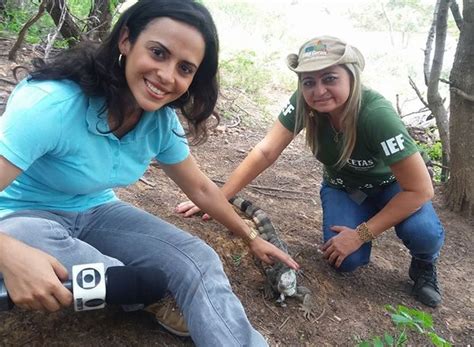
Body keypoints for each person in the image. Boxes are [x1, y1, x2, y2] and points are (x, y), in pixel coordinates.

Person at [0, 0, 300, 345]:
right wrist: (7, 252)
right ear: (126, 40)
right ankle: (144, 295)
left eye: (185, 69)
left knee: (197, 259)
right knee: (98, 269)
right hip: (20, 214)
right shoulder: (52, 105)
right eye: (158, 53)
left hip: (96, 210)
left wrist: (251, 237)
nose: (167, 76)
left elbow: (201, 189)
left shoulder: (158, 122)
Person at [177, 36, 445, 308]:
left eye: (329, 78)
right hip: (345, 188)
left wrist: (360, 234)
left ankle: (424, 265)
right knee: (345, 262)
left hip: (393, 187)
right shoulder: (304, 104)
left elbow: (420, 189)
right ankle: (363, 233)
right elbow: (266, 151)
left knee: (423, 232)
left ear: (351, 77)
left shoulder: (376, 114)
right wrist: (219, 198)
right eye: (309, 81)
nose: (319, 90)